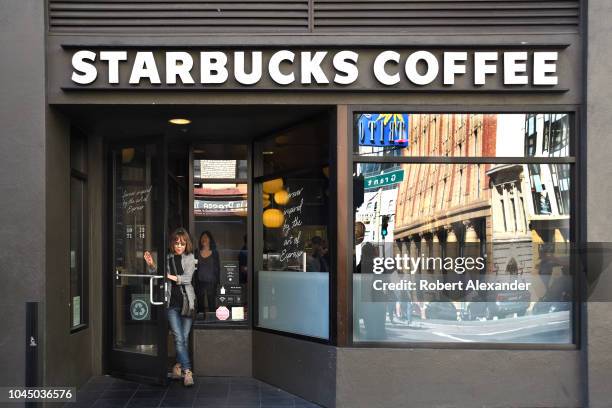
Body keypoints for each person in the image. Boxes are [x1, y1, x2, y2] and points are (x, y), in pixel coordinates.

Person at [144, 228, 196, 387]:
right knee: (179, 338)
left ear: (186, 244)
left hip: (187, 304)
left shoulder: (190, 258)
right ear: (172, 244)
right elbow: (158, 275)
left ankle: (177, 366)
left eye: (182, 243)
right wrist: (152, 264)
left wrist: (169, 276)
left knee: (183, 339)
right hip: (171, 305)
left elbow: (187, 278)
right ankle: (187, 372)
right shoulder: (167, 258)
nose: (179, 246)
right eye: (176, 243)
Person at [195, 231, 220, 316]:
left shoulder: (215, 253)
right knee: (200, 304)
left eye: (206, 237)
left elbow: (218, 269)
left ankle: (212, 321)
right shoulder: (196, 252)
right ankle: (201, 321)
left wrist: (218, 282)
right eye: (202, 237)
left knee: (211, 303)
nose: (204, 239)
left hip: (211, 282)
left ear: (210, 239)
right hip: (200, 282)